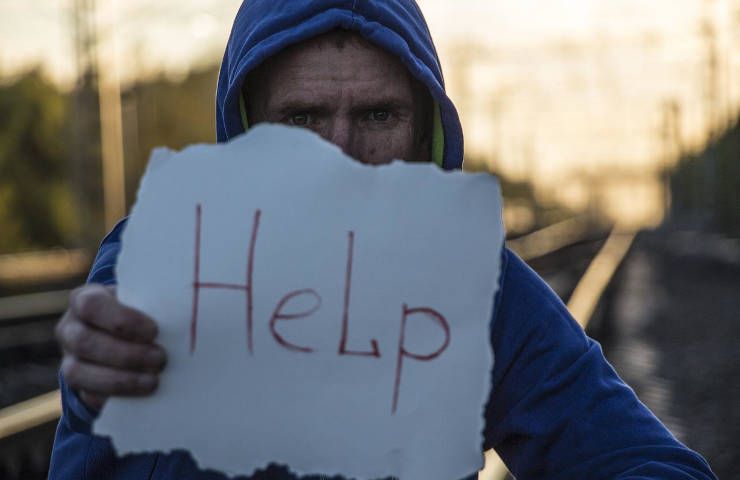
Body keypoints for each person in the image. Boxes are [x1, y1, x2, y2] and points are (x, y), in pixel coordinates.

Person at [50, 1, 716, 479]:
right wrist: (96, 382)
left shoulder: (472, 287)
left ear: (423, 134)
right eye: (302, 117)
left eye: (376, 115)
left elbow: (642, 460)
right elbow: (106, 360)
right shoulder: (169, 256)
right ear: (248, 129)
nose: (340, 155)